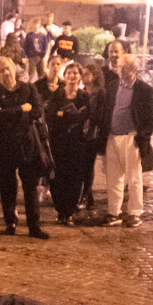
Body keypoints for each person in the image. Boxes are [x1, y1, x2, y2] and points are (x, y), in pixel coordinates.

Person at [0, 56, 47, 237]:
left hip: (27, 143)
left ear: (14, 69)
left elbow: (37, 111)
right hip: (5, 145)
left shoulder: (28, 88)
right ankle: (10, 222)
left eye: (7, 68)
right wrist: (19, 110)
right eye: (1, 70)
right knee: (7, 185)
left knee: (30, 186)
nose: (6, 72)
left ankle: (34, 226)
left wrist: (6, 113)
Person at [96, 53, 153, 227]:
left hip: (131, 137)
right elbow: (107, 111)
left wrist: (141, 137)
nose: (123, 71)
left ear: (135, 69)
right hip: (112, 137)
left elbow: (151, 119)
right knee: (113, 177)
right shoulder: (112, 86)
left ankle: (135, 213)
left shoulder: (145, 90)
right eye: (121, 67)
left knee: (134, 177)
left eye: (128, 67)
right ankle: (114, 212)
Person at [44, 61, 93, 225]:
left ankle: (70, 211)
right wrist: (66, 117)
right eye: (69, 73)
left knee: (75, 177)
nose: (72, 76)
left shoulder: (84, 96)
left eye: (76, 73)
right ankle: (60, 210)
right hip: (58, 141)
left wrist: (63, 116)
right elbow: (50, 116)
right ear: (64, 76)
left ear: (80, 77)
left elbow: (86, 117)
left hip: (77, 143)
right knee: (57, 176)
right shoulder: (57, 95)